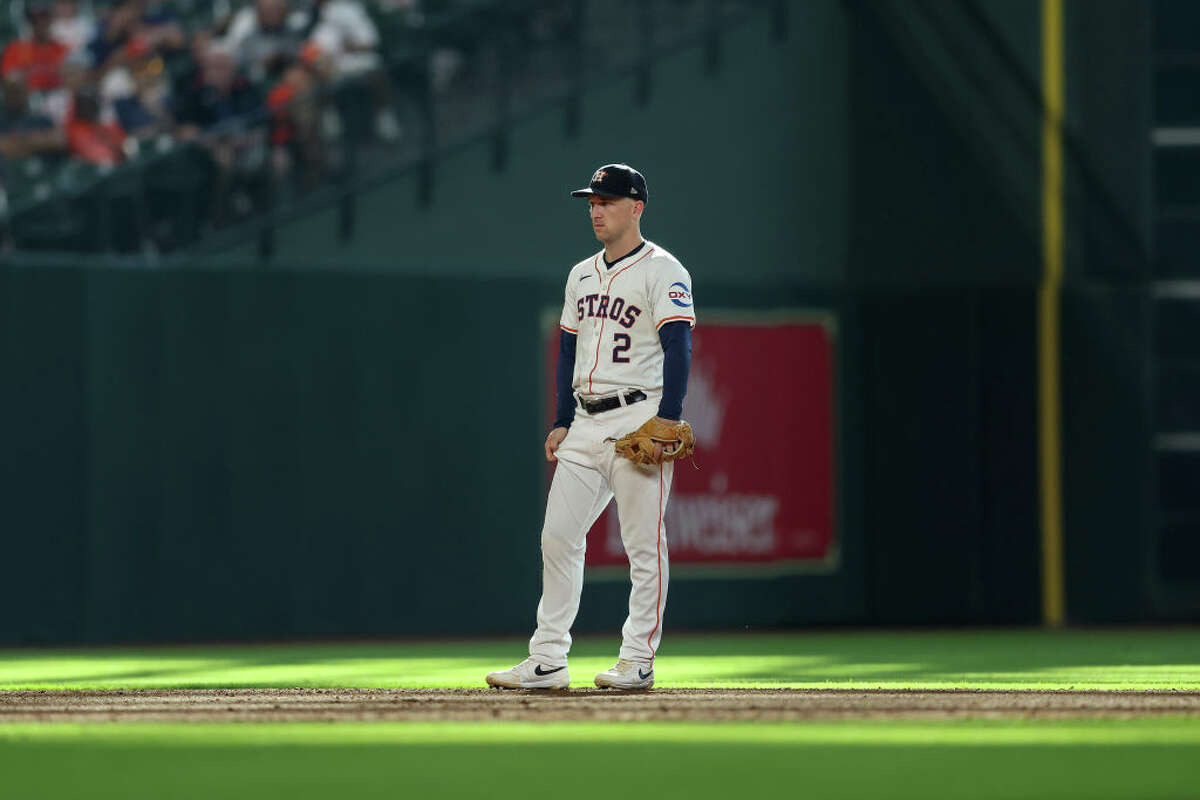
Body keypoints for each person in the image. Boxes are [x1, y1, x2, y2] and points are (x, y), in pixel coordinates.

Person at [486, 164, 696, 691]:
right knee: (558, 536)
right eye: (592, 202)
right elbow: (568, 349)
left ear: (636, 207)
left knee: (642, 546)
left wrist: (668, 415)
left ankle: (637, 659)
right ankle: (549, 659)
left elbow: (678, 346)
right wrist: (561, 420)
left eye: (606, 201)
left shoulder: (663, 270)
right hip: (584, 422)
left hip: (638, 415)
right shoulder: (581, 273)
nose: (596, 210)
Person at [1, 1, 69, 93]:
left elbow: (72, 79)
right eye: (35, 20)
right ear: (29, 22)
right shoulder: (15, 49)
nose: (40, 23)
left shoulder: (62, 49)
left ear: (50, 20)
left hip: (57, 97)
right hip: (26, 98)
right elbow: (8, 79)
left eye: (44, 18)